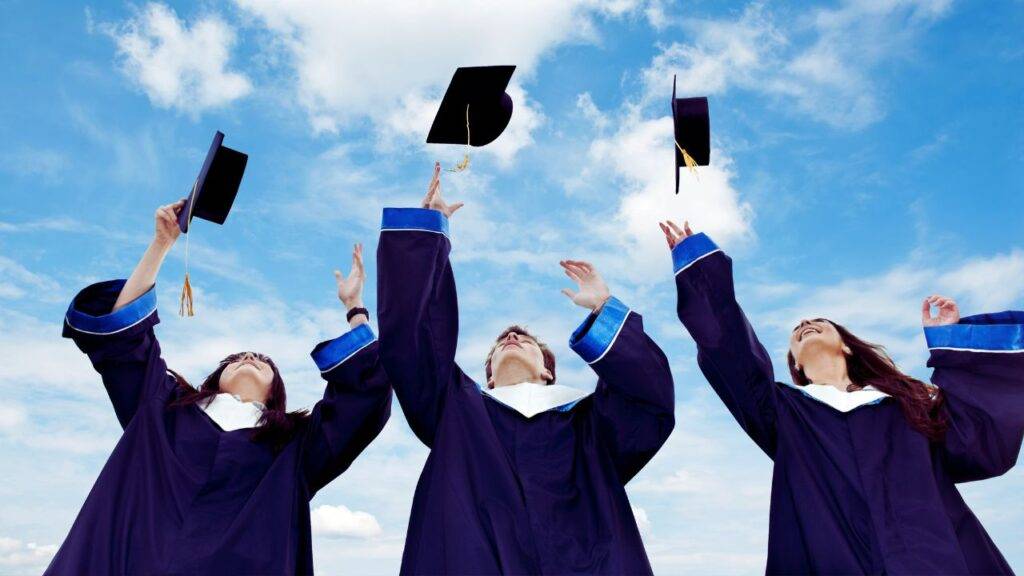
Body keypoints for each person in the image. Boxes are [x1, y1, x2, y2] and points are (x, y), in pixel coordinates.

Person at [46, 200, 392, 575]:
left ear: (276, 390)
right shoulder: (162, 410)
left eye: (262, 359)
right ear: (215, 378)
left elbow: (365, 396)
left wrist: (355, 308)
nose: (248, 358)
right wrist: (161, 245)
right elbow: (122, 340)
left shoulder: (294, 449)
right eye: (236, 357)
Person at [661, 219, 1023, 575]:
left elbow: (978, 443)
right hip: (828, 555)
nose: (804, 323)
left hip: (932, 557)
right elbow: (729, 351)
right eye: (796, 332)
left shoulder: (907, 406)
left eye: (820, 322)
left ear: (847, 347)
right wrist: (701, 271)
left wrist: (952, 344)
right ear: (797, 366)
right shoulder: (784, 413)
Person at [377, 163, 675, 574]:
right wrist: (430, 236)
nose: (511, 339)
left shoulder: (590, 425)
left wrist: (604, 307)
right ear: (490, 378)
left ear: (549, 372)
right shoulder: (456, 414)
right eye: (500, 343)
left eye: (526, 340)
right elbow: (413, 339)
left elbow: (648, 399)